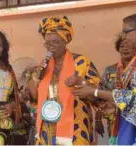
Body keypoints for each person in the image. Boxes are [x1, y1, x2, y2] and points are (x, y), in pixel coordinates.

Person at [73, 12, 136, 145]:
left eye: (126, 32)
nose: (124, 37)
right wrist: (85, 84)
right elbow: (125, 92)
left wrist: (94, 92)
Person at [27, 16, 103, 145]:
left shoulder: (82, 62)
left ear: (65, 41)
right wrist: (36, 77)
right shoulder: (43, 65)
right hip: (47, 127)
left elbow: (99, 95)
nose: (50, 47)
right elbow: (33, 97)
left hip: (76, 127)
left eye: (55, 42)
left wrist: (81, 82)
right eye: (47, 43)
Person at [99, 36, 136, 143]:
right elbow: (100, 93)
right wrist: (98, 119)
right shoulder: (110, 70)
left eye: (129, 46)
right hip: (113, 120)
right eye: (122, 46)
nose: (125, 48)